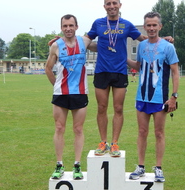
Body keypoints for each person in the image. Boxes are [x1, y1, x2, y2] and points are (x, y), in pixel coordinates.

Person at [87, 0, 174, 157]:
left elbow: (144, 38)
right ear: (104, 6)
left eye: (114, 3)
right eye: (108, 3)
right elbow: (86, 41)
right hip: (101, 71)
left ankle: (114, 143)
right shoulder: (98, 24)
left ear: (120, 5)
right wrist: (66, 41)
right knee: (101, 107)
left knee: (118, 108)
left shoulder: (126, 25)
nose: (111, 6)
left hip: (120, 71)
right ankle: (103, 142)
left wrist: (163, 39)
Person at [127, 12, 179, 183]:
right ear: (145, 27)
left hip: (160, 98)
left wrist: (173, 97)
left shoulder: (168, 47)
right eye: (148, 25)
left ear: (160, 26)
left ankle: (158, 168)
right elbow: (139, 66)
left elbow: (175, 72)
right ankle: (140, 167)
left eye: (154, 25)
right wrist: (124, 58)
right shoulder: (141, 46)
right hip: (142, 96)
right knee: (142, 132)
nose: (151, 28)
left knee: (159, 133)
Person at [45, 14, 96, 180]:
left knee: (78, 129)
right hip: (61, 94)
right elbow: (48, 68)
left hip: (80, 93)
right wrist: (57, 86)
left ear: (76, 26)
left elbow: (103, 44)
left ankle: (77, 165)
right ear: (61, 27)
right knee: (59, 128)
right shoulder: (56, 46)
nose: (68, 28)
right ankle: (59, 165)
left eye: (71, 25)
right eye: (65, 26)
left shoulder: (85, 42)